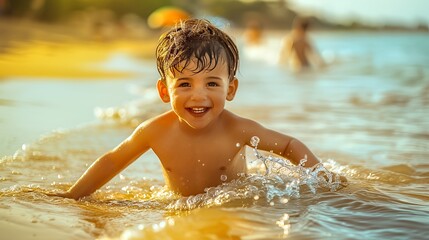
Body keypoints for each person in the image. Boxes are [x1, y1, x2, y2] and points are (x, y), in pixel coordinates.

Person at [55, 19, 342, 200]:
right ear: (164, 91)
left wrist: (323, 177)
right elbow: (113, 161)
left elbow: (289, 145)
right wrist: (73, 195)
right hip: (180, 204)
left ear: (230, 89)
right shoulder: (154, 131)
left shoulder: (237, 129)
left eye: (212, 83)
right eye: (184, 84)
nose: (198, 96)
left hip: (234, 203)